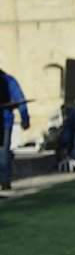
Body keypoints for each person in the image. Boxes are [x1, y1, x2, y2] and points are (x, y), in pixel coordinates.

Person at [0, 63, 26, 191]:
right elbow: (20, 99)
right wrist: (25, 118)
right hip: (5, 121)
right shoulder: (9, 80)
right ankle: (4, 181)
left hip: (5, 120)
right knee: (4, 152)